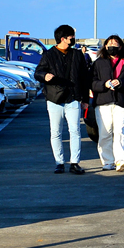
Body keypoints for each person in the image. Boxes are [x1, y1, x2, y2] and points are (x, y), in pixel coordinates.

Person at [35, 24, 91, 174]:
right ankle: (59, 162)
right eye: (72, 37)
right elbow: (38, 72)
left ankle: (74, 163)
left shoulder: (77, 55)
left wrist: (85, 99)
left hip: (73, 98)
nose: (74, 39)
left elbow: (85, 78)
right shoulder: (49, 55)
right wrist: (44, 76)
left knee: (75, 131)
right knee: (56, 132)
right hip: (54, 99)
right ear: (63, 38)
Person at [90, 35, 124, 172]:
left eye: (115, 43)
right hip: (103, 102)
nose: (112, 46)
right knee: (105, 133)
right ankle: (107, 162)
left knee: (119, 131)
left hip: (120, 102)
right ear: (105, 46)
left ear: (120, 46)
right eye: (109, 43)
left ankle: (121, 161)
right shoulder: (98, 63)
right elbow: (91, 82)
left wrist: (121, 83)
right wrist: (104, 84)